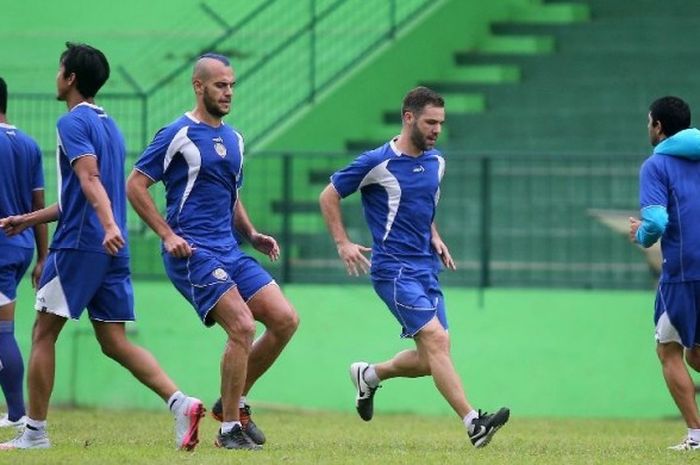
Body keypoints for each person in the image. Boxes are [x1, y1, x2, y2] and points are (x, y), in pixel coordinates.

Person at [0, 43, 203, 451]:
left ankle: (35, 433)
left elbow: (91, 181)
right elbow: (83, 192)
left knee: (42, 332)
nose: (56, 76)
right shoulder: (110, 126)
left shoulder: (71, 122)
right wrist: (28, 219)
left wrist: (107, 224)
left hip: (79, 245)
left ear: (70, 78)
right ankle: (182, 403)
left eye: (59, 69)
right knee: (113, 341)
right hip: (111, 246)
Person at [319, 86, 509, 448]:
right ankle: (474, 422)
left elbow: (423, 207)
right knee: (436, 341)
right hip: (393, 270)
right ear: (409, 118)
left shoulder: (437, 163)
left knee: (430, 359)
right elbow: (328, 195)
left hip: (425, 267)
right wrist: (342, 243)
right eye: (430, 122)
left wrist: (434, 235)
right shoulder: (378, 162)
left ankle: (369, 375)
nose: (437, 129)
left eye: (441, 122)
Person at [126, 53, 299, 451]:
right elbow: (135, 185)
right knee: (241, 326)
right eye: (220, 85)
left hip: (230, 250)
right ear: (198, 86)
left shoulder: (234, 139)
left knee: (285, 319)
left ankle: (229, 406)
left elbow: (231, 194)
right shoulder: (176, 134)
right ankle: (229, 431)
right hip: (193, 252)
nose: (228, 92)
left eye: (232, 85)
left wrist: (252, 234)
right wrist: (168, 235)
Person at [630, 96, 700, 451]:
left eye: (649, 122)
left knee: (669, 348)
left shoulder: (656, 166)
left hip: (685, 271)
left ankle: (696, 436)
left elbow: (656, 222)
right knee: (697, 355)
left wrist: (640, 234)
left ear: (658, 126)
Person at [0, 77, 48, 429]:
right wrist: (43, 257)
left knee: (2, 333)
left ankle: (17, 414)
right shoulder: (29, 144)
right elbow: (38, 204)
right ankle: (16, 412)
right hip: (22, 246)